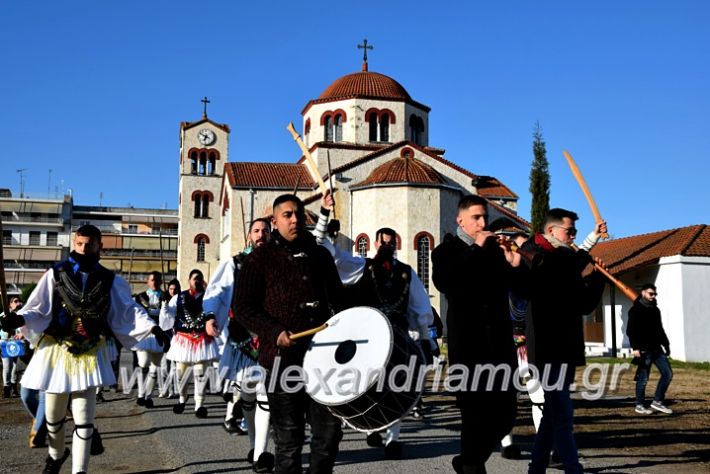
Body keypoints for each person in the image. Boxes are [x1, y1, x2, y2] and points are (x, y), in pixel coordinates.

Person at [0, 224, 167, 474]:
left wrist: (151, 327)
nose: (83, 248)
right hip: (57, 350)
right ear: (73, 243)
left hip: (89, 352)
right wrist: (18, 318)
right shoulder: (55, 274)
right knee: (54, 417)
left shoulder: (110, 280)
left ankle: (80, 471)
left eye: (89, 244)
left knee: (84, 420)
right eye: (79, 244)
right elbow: (39, 308)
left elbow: (128, 310)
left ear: (100, 246)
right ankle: (56, 454)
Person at [313, 191, 434, 460]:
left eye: (392, 243)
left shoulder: (406, 272)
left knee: (398, 386)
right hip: (368, 340)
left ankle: (393, 439)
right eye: (384, 242)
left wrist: (426, 338)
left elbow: (421, 305)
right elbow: (321, 249)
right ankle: (372, 428)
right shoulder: (360, 266)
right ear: (377, 242)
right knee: (370, 386)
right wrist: (325, 213)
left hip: (399, 336)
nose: (388, 246)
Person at [235, 194, 345, 474]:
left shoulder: (320, 255)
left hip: (323, 359)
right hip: (282, 360)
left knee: (329, 435)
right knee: (288, 440)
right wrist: (274, 331)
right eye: (287, 215)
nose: (294, 219)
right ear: (274, 221)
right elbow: (243, 307)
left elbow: (340, 300)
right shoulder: (259, 258)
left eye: (297, 213)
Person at [431, 194, 524, 474]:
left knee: (506, 411)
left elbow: (518, 293)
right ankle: (472, 465)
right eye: (476, 217)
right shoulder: (446, 250)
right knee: (473, 414)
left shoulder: (496, 252)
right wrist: (475, 250)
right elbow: (446, 282)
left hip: (499, 345)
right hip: (468, 346)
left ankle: (469, 461)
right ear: (460, 220)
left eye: (485, 216)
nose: (483, 222)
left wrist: (515, 267)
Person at [519, 208, 606, 474]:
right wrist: (592, 240)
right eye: (570, 231)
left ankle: (536, 467)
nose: (572, 236)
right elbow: (561, 266)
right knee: (563, 412)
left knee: (552, 413)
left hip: (567, 346)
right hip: (546, 346)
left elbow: (583, 304)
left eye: (574, 233)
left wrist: (597, 279)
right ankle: (573, 468)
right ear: (551, 231)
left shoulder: (565, 258)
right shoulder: (534, 254)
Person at [203, 217, 274, 472]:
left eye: (265, 230)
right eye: (256, 230)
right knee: (247, 395)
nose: (261, 234)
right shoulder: (234, 263)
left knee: (265, 393)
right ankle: (255, 444)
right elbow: (216, 292)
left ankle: (261, 454)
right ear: (249, 235)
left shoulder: (280, 261)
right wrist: (210, 316)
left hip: (270, 337)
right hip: (242, 338)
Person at [161, 268, 219, 417]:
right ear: (189, 281)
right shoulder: (178, 298)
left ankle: (199, 405)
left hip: (202, 340)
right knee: (181, 373)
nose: (198, 281)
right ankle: (182, 398)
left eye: (200, 278)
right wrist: (165, 306)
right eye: (195, 278)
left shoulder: (208, 297)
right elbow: (168, 319)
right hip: (183, 340)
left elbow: (215, 314)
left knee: (201, 373)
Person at [627, 283, 673, 415]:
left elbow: (660, 329)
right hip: (643, 350)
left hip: (657, 349)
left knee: (668, 374)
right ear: (643, 293)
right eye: (650, 294)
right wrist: (635, 347)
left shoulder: (655, 310)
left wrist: (666, 344)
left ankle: (657, 401)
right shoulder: (635, 310)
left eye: (654, 294)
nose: (653, 296)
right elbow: (630, 331)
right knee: (643, 379)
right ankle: (639, 405)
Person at [132, 271, 171, 408]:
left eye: (157, 280)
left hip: (160, 334)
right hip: (145, 334)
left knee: (155, 368)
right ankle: (140, 394)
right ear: (148, 282)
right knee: (143, 363)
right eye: (152, 280)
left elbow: (169, 316)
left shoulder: (166, 297)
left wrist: (166, 305)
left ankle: (148, 396)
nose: (155, 282)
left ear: (161, 282)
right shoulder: (140, 298)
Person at [1, 296, 24, 398]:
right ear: (10, 304)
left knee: (16, 366)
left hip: (18, 342)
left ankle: (14, 387)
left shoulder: (22, 314)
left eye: (19, 301)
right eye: (15, 301)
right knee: (7, 366)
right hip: (6, 342)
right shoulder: (3, 315)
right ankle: (6, 388)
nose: (18, 303)